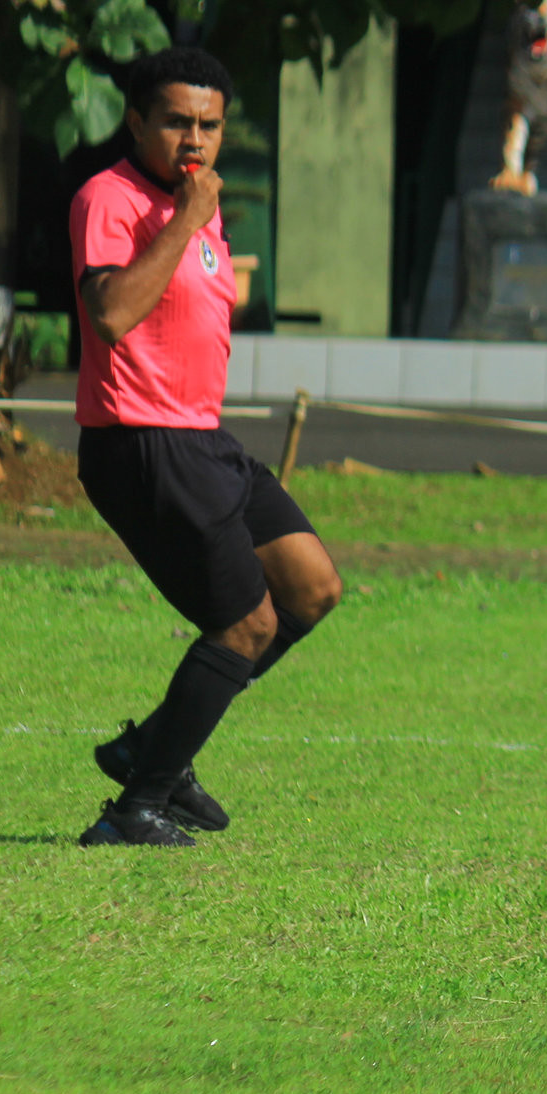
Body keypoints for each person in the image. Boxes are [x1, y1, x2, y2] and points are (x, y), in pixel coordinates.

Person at [71, 47, 344, 847]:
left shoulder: (203, 203)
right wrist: (186, 218)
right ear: (136, 120)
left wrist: (196, 214)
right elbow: (112, 315)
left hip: (202, 436)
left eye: (210, 125)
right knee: (247, 625)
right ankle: (136, 809)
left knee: (313, 587)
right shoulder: (109, 199)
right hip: (142, 441)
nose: (194, 140)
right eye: (177, 122)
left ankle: (151, 746)